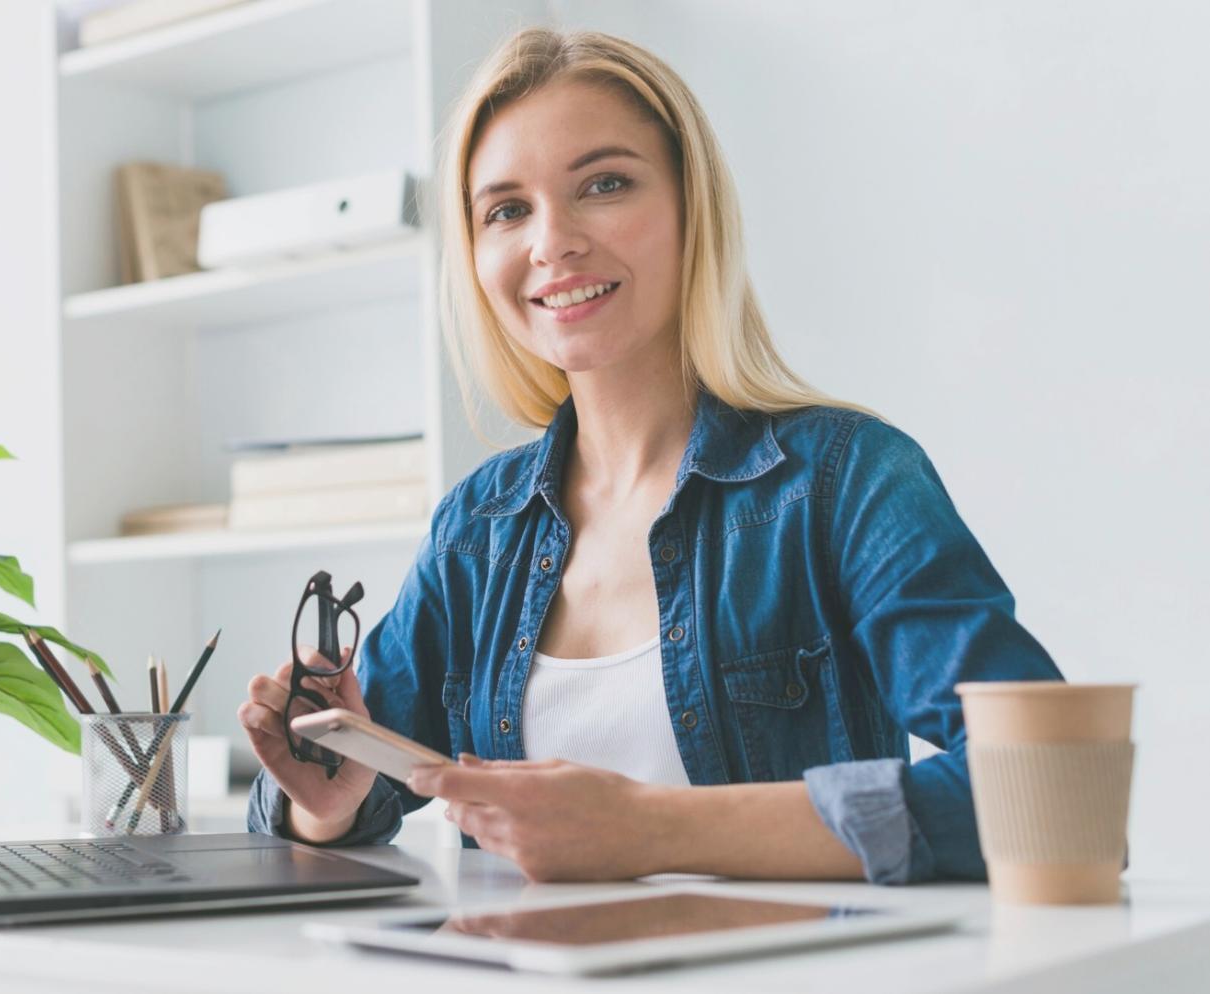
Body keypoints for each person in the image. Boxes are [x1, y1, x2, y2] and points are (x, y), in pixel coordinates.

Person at [238, 27, 1061, 885]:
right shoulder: (477, 530)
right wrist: (324, 806)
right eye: (506, 210)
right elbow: (360, 791)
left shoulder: (844, 481)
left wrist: (654, 828)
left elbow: (1048, 791)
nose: (550, 241)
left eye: (604, 184)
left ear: (689, 208)